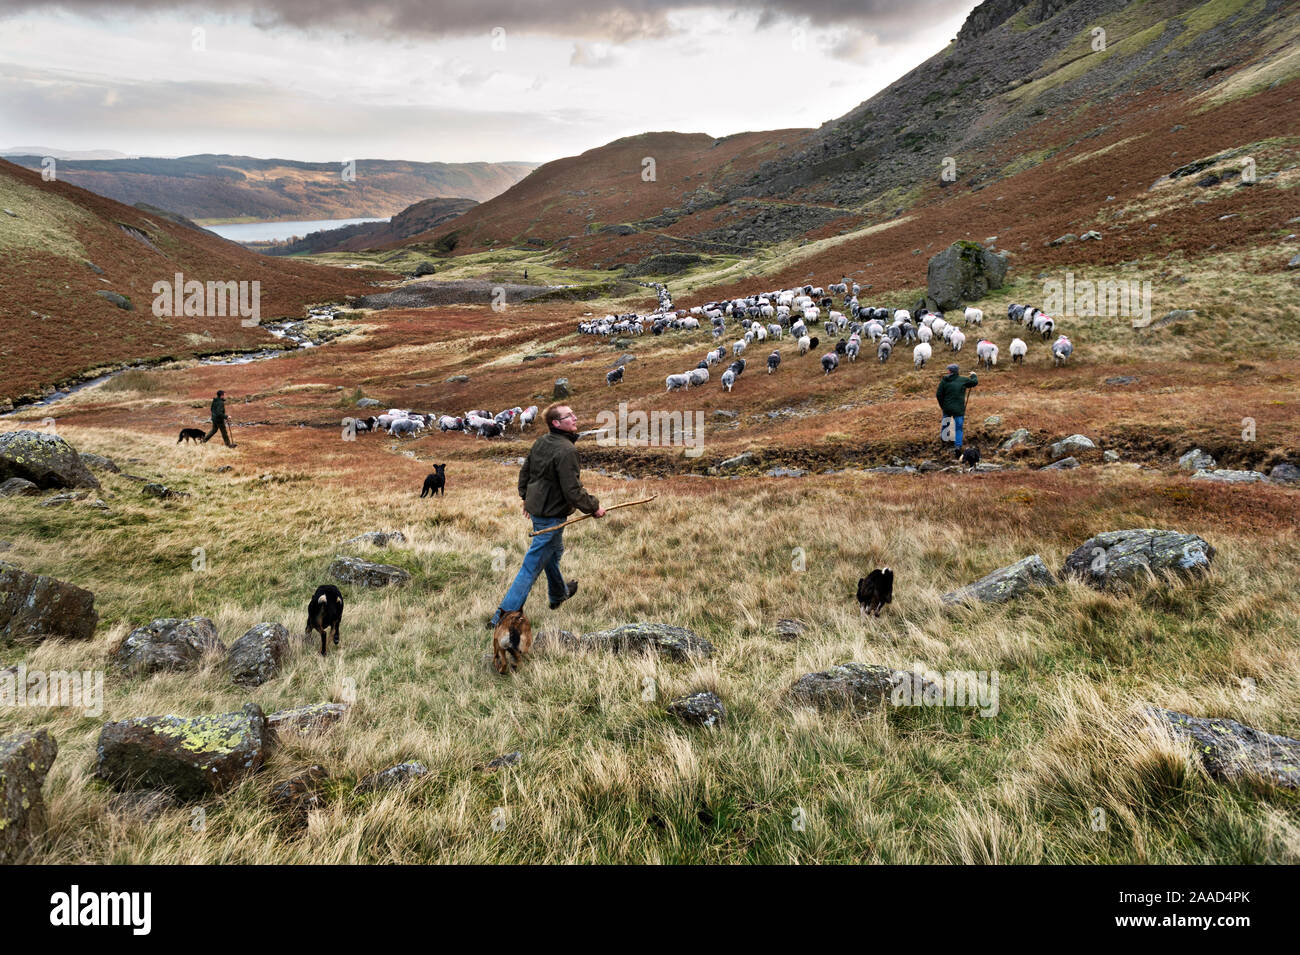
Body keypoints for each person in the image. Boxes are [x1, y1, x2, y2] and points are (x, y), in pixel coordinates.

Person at [487, 403, 605, 629]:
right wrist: (594, 507)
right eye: (569, 416)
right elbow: (573, 490)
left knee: (552, 552)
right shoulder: (567, 450)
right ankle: (501, 618)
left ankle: (558, 594)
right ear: (556, 423)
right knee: (531, 566)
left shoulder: (542, 441)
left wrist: (526, 498)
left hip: (540, 510)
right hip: (551, 515)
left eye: (573, 413)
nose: (575, 417)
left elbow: (526, 473)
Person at [935, 363, 977, 455]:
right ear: (957, 371)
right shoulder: (963, 380)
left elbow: (938, 395)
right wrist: (973, 375)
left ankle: (944, 440)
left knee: (946, 423)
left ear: (950, 371)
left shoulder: (944, 381)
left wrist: (943, 406)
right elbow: (974, 382)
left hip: (947, 408)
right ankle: (957, 446)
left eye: (948, 370)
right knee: (958, 428)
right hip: (959, 409)